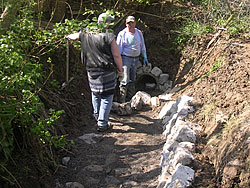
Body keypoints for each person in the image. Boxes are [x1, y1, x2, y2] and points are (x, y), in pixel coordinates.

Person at [65, 12, 123, 132]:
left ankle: (97, 117)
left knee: (95, 94)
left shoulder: (86, 35)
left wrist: (68, 36)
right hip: (106, 70)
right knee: (107, 96)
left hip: (91, 70)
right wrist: (121, 70)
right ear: (108, 24)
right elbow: (116, 55)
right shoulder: (109, 36)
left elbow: (75, 36)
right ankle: (102, 124)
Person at [116, 15, 148, 103]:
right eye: (128, 23)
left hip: (136, 59)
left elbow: (142, 45)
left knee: (133, 78)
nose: (130, 25)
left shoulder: (138, 33)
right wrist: (118, 61)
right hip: (126, 58)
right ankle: (122, 101)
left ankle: (132, 100)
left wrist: (144, 56)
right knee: (124, 79)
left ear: (135, 23)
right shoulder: (123, 34)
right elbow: (118, 49)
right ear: (126, 24)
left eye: (132, 22)